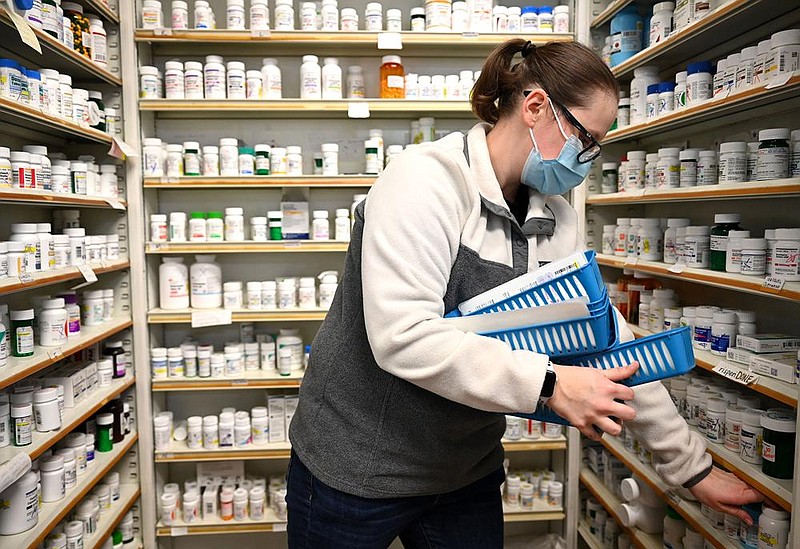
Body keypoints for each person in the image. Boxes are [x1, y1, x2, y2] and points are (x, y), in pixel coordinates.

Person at [287, 39, 762, 548]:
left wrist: (690, 468)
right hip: (356, 464)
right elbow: (402, 336)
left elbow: (606, 340)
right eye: (585, 140)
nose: (586, 159)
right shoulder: (425, 182)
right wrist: (552, 384)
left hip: (463, 468)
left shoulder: (556, 218)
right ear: (535, 107)